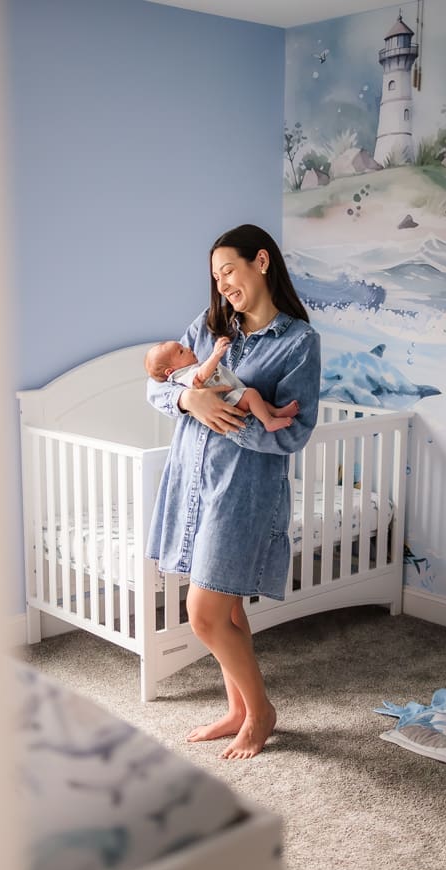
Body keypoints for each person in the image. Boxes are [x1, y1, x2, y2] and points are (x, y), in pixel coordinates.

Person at [146, 224, 321, 760]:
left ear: (261, 262)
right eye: (216, 276)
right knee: (228, 611)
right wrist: (188, 402)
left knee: (204, 613)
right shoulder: (208, 325)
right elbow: (158, 385)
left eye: (229, 271)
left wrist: (226, 418)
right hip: (192, 481)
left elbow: (293, 433)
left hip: (242, 493)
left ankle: (261, 711)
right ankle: (238, 710)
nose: (222, 284)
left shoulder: (298, 342)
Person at [144, 336, 300, 432]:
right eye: (181, 351)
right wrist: (216, 354)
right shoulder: (183, 375)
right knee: (252, 395)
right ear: (170, 371)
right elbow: (201, 376)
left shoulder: (186, 368)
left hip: (230, 394)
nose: (188, 348)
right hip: (226, 401)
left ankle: (276, 412)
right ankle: (269, 422)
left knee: (257, 401)